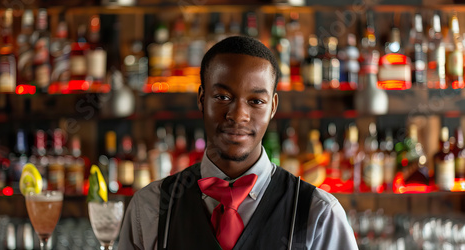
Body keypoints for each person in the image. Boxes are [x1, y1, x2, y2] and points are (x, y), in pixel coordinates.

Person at [119, 36, 358, 250]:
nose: (238, 115)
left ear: (273, 107)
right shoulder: (149, 210)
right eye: (223, 97)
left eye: (256, 101)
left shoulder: (318, 215)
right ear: (202, 99)